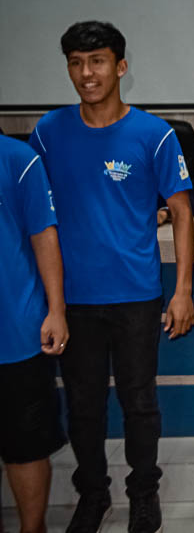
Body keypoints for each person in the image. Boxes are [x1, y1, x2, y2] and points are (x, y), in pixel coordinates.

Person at [29, 21, 194, 533]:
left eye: (97, 61)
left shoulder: (154, 134)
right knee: (82, 405)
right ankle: (93, 494)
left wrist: (184, 291)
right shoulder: (47, 132)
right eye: (76, 63)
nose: (87, 73)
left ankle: (143, 493)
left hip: (136, 295)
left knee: (139, 402)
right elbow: (39, 215)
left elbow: (183, 212)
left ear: (120, 66)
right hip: (72, 298)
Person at [1, 135, 70, 533]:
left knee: (24, 447)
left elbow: (44, 236)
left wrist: (56, 310)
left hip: (15, 331)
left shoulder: (18, 159)